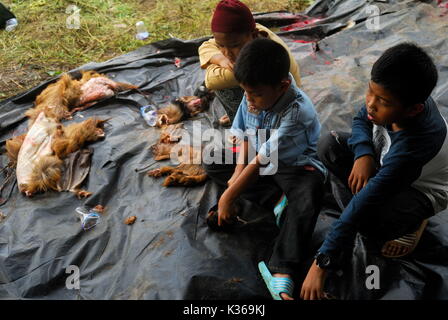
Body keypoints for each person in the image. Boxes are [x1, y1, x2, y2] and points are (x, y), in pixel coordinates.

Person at [300, 43, 448, 300]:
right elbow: (360, 119)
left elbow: (366, 201)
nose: (370, 104)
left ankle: (414, 222)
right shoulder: (390, 102)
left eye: (382, 101)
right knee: (329, 144)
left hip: (419, 188)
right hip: (387, 164)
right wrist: (363, 154)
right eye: (370, 92)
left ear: (413, 109)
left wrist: (322, 262)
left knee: (369, 224)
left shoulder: (412, 149)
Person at [204, 38, 326, 300]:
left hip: (297, 168)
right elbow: (247, 139)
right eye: (245, 92)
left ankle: (282, 269)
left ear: (282, 86)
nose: (248, 99)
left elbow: (260, 161)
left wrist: (229, 197)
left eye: (255, 93)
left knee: (308, 196)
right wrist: (234, 182)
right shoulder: (254, 96)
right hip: (260, 162)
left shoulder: (297, 112)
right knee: (214, 160)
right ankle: (276, 199)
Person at [198, 0, 301, 122]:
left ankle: (242, 118)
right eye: (220, 45)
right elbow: (205, 45)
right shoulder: (254, 30)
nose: (227, 53)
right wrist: (219, 59)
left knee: (223, 87)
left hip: (277, 110)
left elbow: (210, 81)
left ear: (252, 34)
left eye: (234, 45)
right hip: (268, 101)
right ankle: (241, 118)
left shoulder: (257, 63)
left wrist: (247, 135)